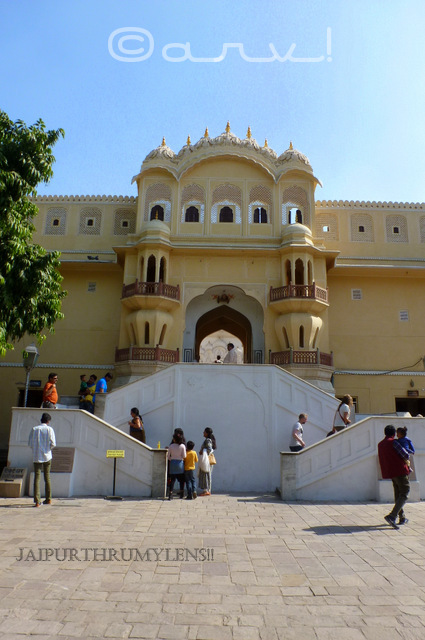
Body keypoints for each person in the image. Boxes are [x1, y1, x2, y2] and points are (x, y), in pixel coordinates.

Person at [378, 424, 410, 529]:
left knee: (398, 494)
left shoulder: (380, 444)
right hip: (400, 470)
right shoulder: (394, 442)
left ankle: (402, 517)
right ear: (394, 434)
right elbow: (406, 455)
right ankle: (392, 516)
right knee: (405, 492)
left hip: (391, 472)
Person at [28, 413, 56, 507]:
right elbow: (53, 443)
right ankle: (48, 499)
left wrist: (36, 449)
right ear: (48, 421)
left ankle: (37, 501)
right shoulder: (49, 429)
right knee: (47, 477)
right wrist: (47, 449)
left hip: (37, 456)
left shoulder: (34, 429)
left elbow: (30, 443)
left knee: (37, 477)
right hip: (47, 456)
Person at [167, 433, 186, 499]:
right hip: (180, 463)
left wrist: (171, 459)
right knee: (181, 480)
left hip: (173, 463)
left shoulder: (171, 446)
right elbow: (184, 456)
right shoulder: (182, 446)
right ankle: (181, 493)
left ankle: (170, 493)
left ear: (174, 439)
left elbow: (168, 456)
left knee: (172, 480)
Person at [198, 427, 216, 496]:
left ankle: (206, 490)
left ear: (207, 433)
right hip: (206, 460)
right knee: (207, 474)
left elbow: (209, 449)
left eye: (204, 432)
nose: (203, 433)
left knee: (206, 474)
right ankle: (207, 490)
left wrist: (202, 451)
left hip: (206, 460)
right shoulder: (209, 440)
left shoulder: (208, 440)